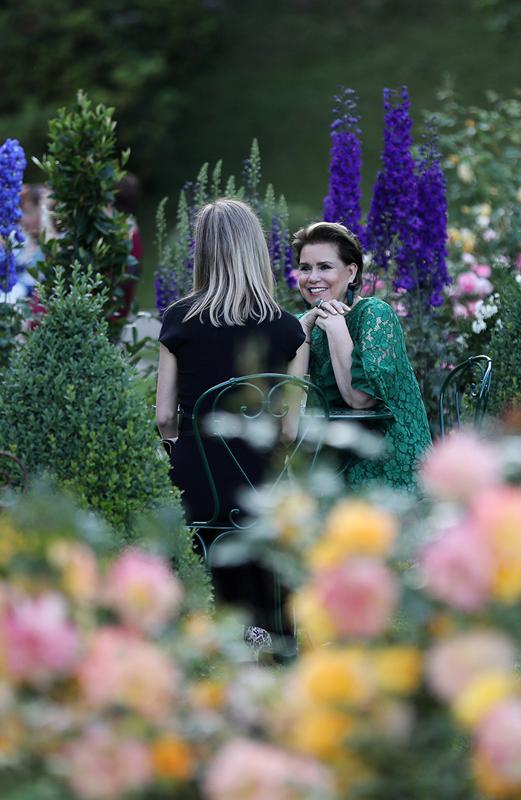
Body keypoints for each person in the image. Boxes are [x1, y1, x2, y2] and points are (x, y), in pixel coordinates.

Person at [156, 198, 306, 642]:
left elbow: (165, 416)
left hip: (196, 486)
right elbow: (290, 429)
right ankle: (265, 629)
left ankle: (204, 627)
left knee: (202, 517)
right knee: (264, 506)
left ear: (203, 252)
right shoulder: (287, 329)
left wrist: (178, 449)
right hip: (261, 488)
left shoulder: (178, 319)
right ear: (256, 249)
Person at [292, 221, 431, 491]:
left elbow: (360, 399)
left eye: (325, 267)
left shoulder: (374, 315)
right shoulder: (303, 323)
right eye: (305, 268)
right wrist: (303, 334)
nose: (312, 278)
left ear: (352, 272)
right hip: (329, 461)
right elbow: (289, 406)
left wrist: (336, 328)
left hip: (389, 461)